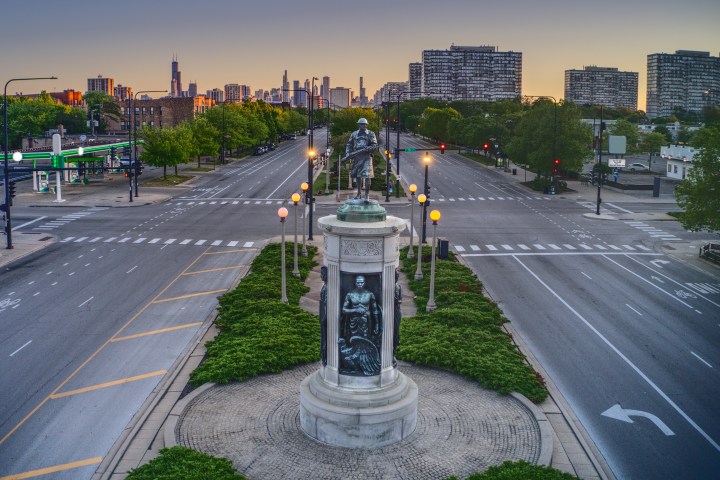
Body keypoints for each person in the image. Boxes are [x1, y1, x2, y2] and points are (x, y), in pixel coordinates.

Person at [340, 274, 383, 376]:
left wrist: (377, 324)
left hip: (366, 322)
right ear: (355, 282)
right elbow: (344, 309)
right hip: (353, 321)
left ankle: (366, 363)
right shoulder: (350, 294)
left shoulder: (370, 294)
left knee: (365, 341)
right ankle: (355, 365)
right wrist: (355, 309)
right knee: (353, 341)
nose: (360, 284)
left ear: (365, 283)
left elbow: (375, 311)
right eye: (358, 282)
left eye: (362, 282)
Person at [345, 118, 378, 202]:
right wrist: (348, 153)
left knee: (367, 176)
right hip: (357, 157)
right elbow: (349, 144)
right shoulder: (354, 134)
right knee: (358, 176)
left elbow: (374, 145)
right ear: (359, 125)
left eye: (365, 124)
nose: (364, 126)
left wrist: (367, 149)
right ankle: (359, 194)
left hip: (366, 157)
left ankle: (367, 195)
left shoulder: (371, 133)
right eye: (362, 124)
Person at [319, 266, 328, 366]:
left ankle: (325, 357)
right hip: (323, 317)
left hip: (325, 318)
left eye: (322, 274)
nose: (321, 276)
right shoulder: (325, 287)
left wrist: (323, 319)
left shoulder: (327, 288)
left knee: (325, 340)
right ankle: (325, 357)